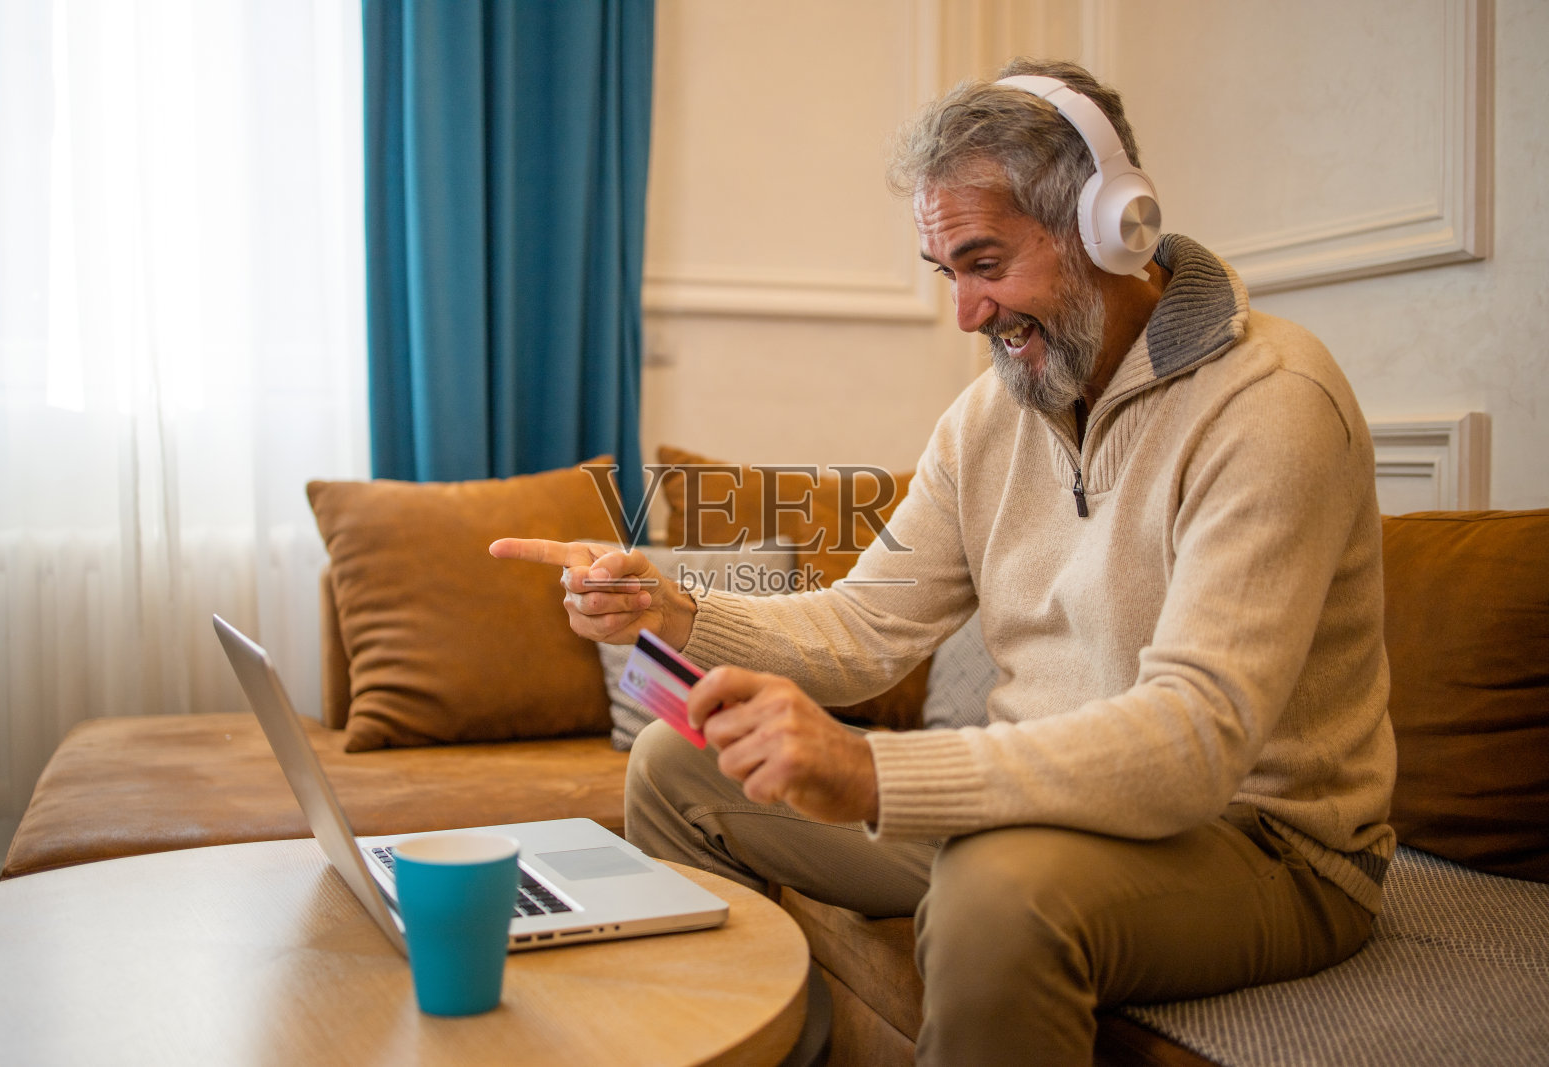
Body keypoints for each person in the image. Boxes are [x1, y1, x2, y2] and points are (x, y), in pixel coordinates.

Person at [490, 57, 1395, 1066]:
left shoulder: (1270, 401)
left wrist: (874, 769)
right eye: (946, 272)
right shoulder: (990, 417)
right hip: (1049, 805)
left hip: (1262, 843)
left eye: (985, 262)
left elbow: (1193, 742)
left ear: (1109, 225)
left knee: (996, 893)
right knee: (676, 763)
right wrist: (673, 603)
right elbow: (865, 626)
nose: (965, 313)